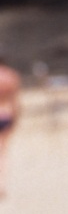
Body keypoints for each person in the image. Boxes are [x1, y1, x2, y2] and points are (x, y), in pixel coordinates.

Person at [0, 58, 21, 197]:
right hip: (5, 114)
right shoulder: (11, 76)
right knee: (2, 151)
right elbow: (15, 102)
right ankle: (1, 185)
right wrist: (16, 118)